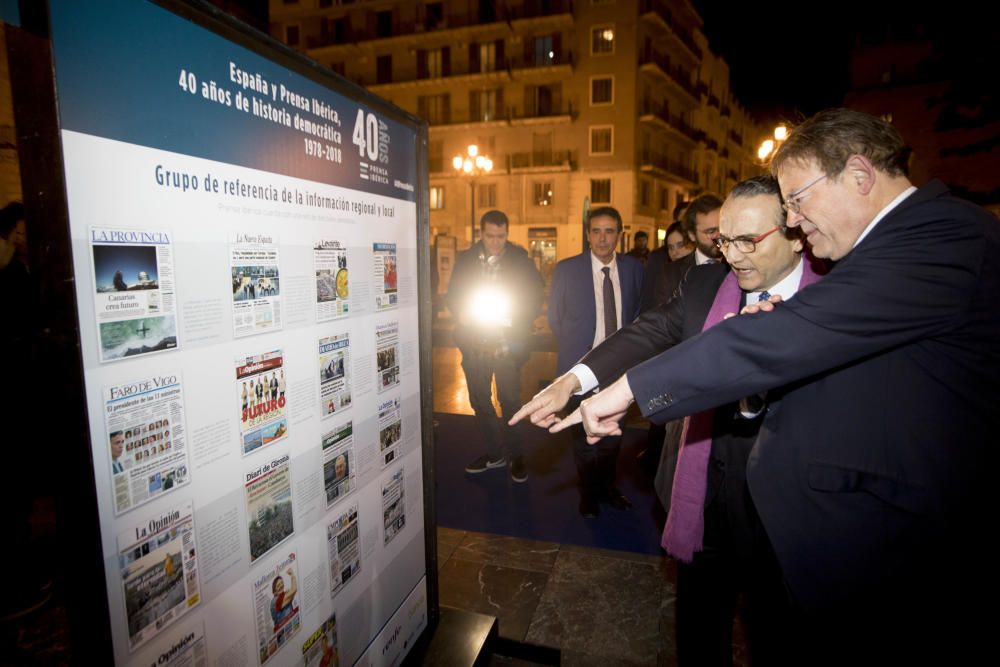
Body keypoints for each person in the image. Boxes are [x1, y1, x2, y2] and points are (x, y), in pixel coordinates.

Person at [520, 108, 1000, 664]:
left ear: (859, 175)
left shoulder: (935, 240)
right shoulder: (903, 243)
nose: (796, 220)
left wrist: (625, 392)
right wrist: (582, 379)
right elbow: (657, 331)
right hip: (766, 519)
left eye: (797, 200)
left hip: (886, 542)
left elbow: (781, 341)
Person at [521, 176, 817, 663]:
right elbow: (645, 332)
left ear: (795, 233)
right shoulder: (705, 282)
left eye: (748, 241)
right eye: (724, 240)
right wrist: (571, 382)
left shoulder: (831, 295)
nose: (734, 255)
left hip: (787, 508)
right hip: (700, 490)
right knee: (699, 632)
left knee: (777, 633)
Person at [547, 206, 643, 517]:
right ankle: (588, 493)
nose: (602, 238)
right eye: (596, 231)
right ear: (588, 235)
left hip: (619, 371)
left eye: (609, 231)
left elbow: (637, 315)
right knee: (584, 439)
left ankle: (607, 487)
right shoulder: (566, 269)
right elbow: (555, 320)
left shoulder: (634, 269)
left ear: (619, 234)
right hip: (579, 371)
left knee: (613, 435)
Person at [446, 210, 544, 483]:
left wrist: (518, 317)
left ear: (507, 234)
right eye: (490, 236)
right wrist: (461, 313)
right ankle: (495, 453)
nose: (496, 242)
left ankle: (517, 455)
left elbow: (536, 293)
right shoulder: (466, 259)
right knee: (479, 400)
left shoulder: (520, 259)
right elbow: (453, 294)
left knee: (510, 401)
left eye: (501, 236)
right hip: (474, 342)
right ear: (481, 234)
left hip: (507, 344)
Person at [270, 568, 298, 632]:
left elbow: (292, 596)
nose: (281, 585)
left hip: (290, 630)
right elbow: (294, 590)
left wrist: (289, 593)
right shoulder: (275, 601)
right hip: (284, 634)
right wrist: (292, 575)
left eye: (282, 583)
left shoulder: (282, 596)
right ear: (274, 591)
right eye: (278, 585)